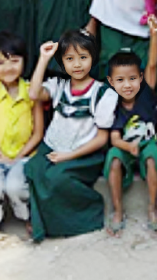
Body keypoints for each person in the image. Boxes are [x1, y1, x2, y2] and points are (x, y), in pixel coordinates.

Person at [25, 31, 119, 241]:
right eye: (70, 59)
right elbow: (33, 94)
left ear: (93, 58)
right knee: (33, 170)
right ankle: (42, 224)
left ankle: (87, 214)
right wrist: (44, 58)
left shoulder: (103, 92)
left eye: (83, 57)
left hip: (84, 154)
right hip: (52, 146)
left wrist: (68, 156)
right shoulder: (58, 86)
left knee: (56, 179)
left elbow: (102, 139)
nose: (77, 64)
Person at [0, 30, 44, 242]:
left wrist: (17, 157)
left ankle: (27, 216)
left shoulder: (32, 91)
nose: (8, 68)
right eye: (0, 62)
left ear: (24, 61)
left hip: (23, 158)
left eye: (14, 61)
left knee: (15, 186)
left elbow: (38, 132)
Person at [104, 22, 157, 237]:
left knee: (152, 159)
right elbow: (114, 138)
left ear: (139, 77)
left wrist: (154, 35)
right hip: (126, 146)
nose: (127, 85)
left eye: (132, 79)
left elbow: (153, 65)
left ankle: (153, 207)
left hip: (147, 143)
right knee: (114, 159)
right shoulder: (112, 103)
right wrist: (127, 147)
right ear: (111, 82)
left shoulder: (146, 93)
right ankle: (118, 210)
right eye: (120, 80)